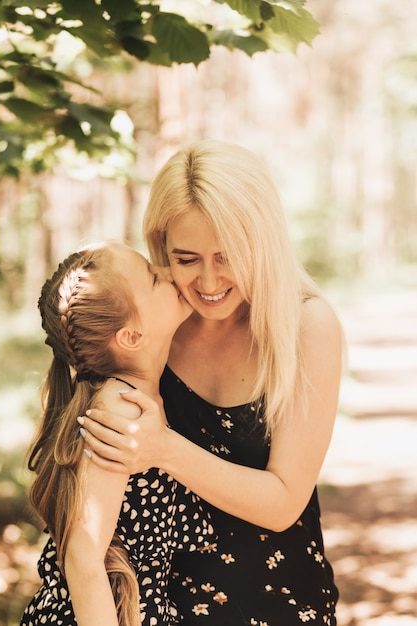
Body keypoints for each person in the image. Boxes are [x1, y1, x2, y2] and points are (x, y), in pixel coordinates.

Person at [78, 140, 344, 626]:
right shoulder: (154, 324)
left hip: (281, 604)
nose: (208, 281)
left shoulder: (306, 325)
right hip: (160, 609)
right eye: (186, 259)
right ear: (162, 249)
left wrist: (162, 448)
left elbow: (284, 502)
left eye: (227, 256)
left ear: (261, 243)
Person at [20, 241, 215, 626]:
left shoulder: (141, 394)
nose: (165, 271)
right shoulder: (120, 408)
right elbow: (83, 555)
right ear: (131, 337)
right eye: (151, 277)